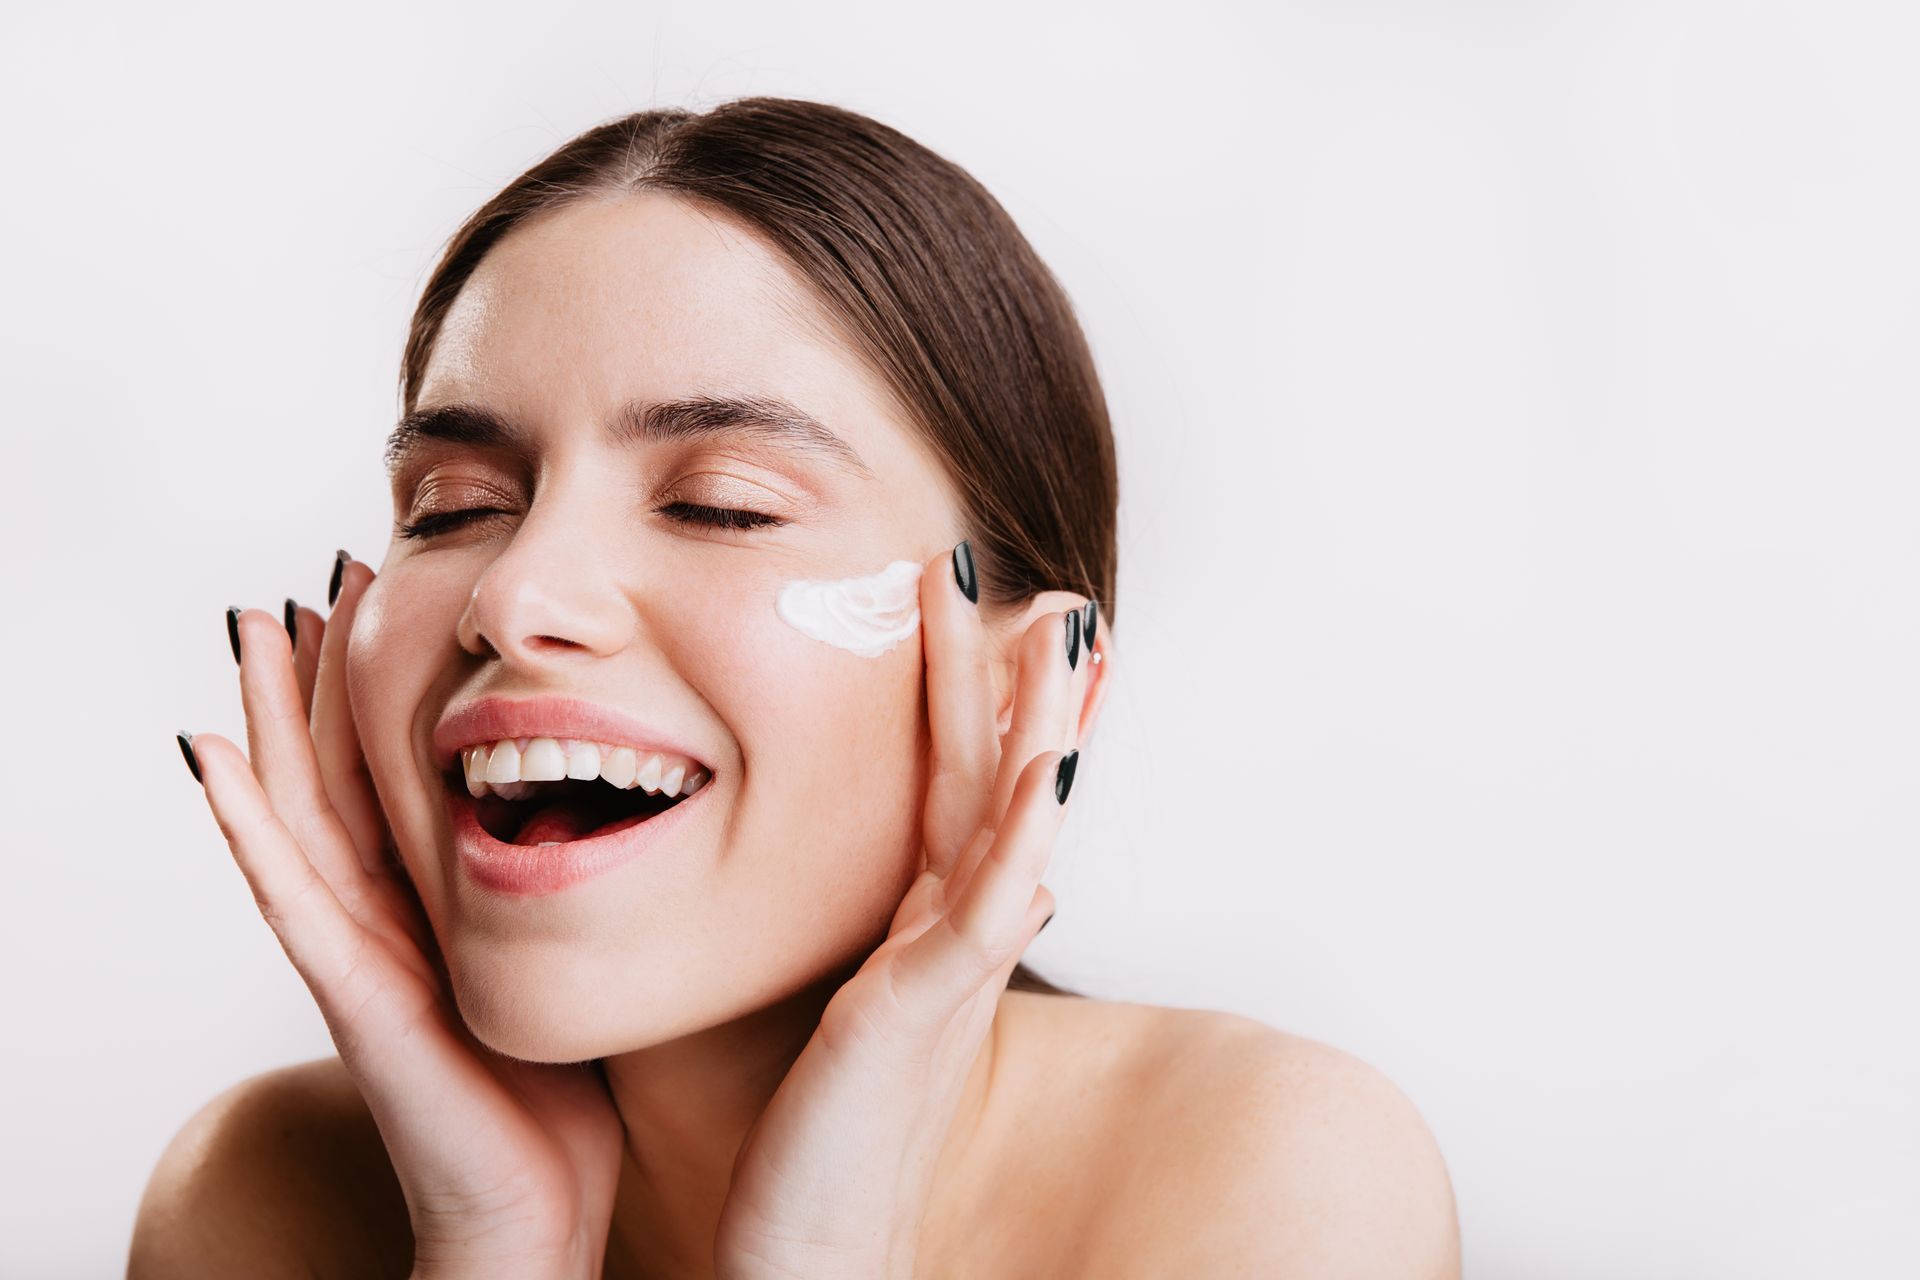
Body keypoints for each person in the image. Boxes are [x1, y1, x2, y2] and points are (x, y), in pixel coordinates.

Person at [131, 97, 1460, 1278]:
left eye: (722, 505)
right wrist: (493, 1251)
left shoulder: (1267, 1176)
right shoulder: (260, 1202)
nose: (514, 597)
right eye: (454, 506)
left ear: (1021, 689)